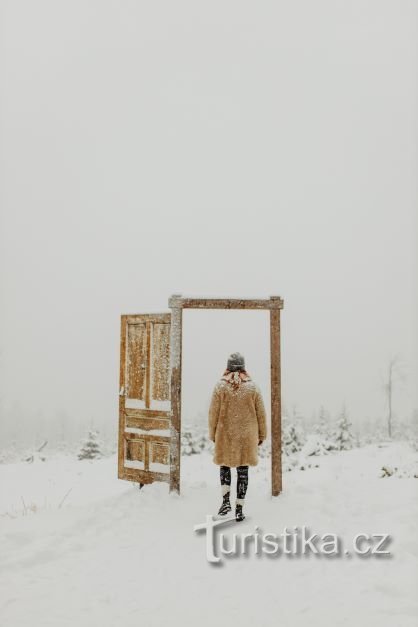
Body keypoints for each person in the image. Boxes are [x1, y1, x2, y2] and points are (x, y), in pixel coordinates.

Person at [208, 352, 267, 522]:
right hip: (246, 436)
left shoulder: (220, 386)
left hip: (225, 433)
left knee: (225, 467)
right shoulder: (252, 387)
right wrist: (262, 434)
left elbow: (213, 413)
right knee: (243, 471)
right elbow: (261, 414)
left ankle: (226, 501)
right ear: (243, 366)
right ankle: (239, 507)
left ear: (227, 366)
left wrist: (213, 434)